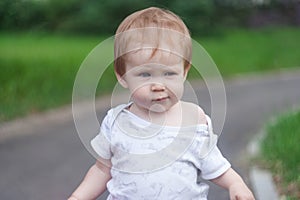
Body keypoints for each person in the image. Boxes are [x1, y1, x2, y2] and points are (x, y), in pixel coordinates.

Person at [69, 7, 255, 200]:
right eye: (145, 74)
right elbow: (101, 170)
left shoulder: (193, 120)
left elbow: (216, 165)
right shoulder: (116, 121)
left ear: (184, 71)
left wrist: (236, 184)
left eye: (169, 73)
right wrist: (77, 197)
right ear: (122, 76)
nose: (158, 85)